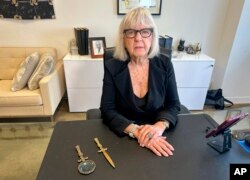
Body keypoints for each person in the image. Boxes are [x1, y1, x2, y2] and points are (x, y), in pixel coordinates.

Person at [100, 7, 180, 157]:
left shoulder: (165, 64)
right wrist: (136, 131)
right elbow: (107, 109)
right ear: (123, 38)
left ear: (152, 37)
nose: (138, 38)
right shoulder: (112, 66)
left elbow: (173, 104)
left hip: (160, 136)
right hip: (124, 137)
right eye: (131, 32)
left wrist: (159, 126)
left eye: (145, 31)